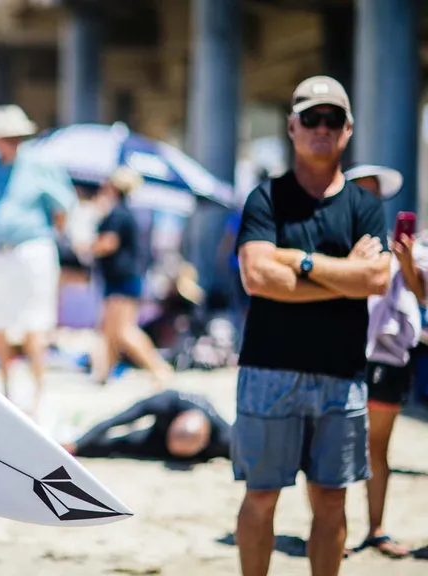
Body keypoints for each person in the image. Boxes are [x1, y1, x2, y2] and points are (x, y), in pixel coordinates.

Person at [233, 76, 390, 576]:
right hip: (268, 369)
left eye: (333, 119)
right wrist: (345, 278)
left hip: (341, 374)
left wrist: (298, 262)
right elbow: (257, 276)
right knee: (261, 498)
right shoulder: (265, 198)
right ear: (292, 127)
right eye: (312, 118)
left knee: (331, 502)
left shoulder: (364, 205)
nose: (322, 128)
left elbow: (379, 278)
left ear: (348, 130)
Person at [0, 104, 76, 419]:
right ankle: (8, 389)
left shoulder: (40, 165)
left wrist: (51, 238)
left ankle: (40, 391)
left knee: (36, 323)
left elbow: (63, 207)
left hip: (32, 249)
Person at [343, 164, 422, 559]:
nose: (367, 199)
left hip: (387, 358)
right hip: (340, 354)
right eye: (360, 191)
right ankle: (333, 529)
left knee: (376, 447)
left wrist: (404, 260)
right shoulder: (331, 238)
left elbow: (421, 295)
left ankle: (375, 528)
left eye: (373, 193)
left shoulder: (395, 247)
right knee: (335, 443)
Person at [84, 166, 174, 388]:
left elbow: (108, 243)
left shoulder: (117, 214)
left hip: (121, 279)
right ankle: (103, 373)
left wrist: (87, 247)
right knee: (109, 329)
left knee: (124, 330)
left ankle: (158, 368)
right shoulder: (127, 212)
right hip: (123, 278)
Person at [61, 389, 231, 463]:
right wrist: (77, 444)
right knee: (109, 445)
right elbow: (117, 420)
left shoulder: (224, 437)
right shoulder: (166, 402)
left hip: (196, 448)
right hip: (157, 439)